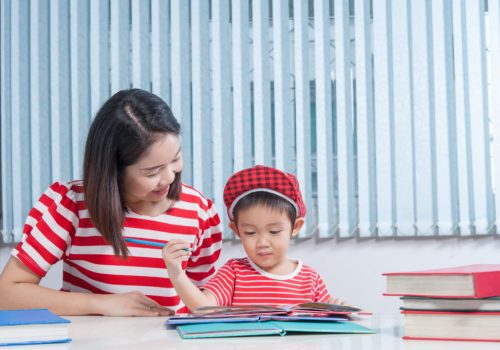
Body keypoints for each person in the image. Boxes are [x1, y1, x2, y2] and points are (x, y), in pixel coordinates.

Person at [0, 89, 222, 316]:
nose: (168, 177)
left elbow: (206, 301)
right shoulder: (72, 207)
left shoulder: (197, 211)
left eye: (175, 159)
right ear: (113, 170)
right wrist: (101, 304)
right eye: (151, 172)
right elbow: (6, 294)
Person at [163, 165, 344, 311]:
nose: (262, 243)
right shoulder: (233, 272)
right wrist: (177, 274)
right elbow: (203, 307)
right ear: (236, 230)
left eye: (274, 232)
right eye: (250, 233)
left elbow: (325, 319)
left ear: (295, 227)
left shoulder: (310, 279)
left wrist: (337, 308)